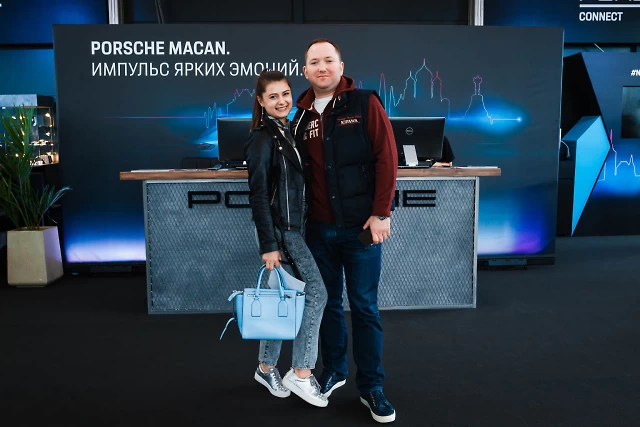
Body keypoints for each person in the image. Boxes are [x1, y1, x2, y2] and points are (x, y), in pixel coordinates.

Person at [291, 38, 398, 423]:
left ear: (340, 66)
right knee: (328, 305)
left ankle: (371, 386)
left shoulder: (365, 103)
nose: (322, 67)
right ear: (305, 70)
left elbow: (387, 157)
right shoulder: (300, 116)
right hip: (318, 231)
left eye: (328, 60)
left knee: (364, 307)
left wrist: (381, 213)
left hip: (361, 228)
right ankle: (333, 372)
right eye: (314, 62)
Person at [244, 70, 328, 408]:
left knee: (281, 299)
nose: (282, 101)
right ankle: (301, 372)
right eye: (273, 96)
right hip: (283, 231)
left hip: (296, 226)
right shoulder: (262, 138)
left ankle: (265, 368)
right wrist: (269, 245)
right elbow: (258, 195)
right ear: (261, 101)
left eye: (285, 94)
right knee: (316, 293)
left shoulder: (288, 132)